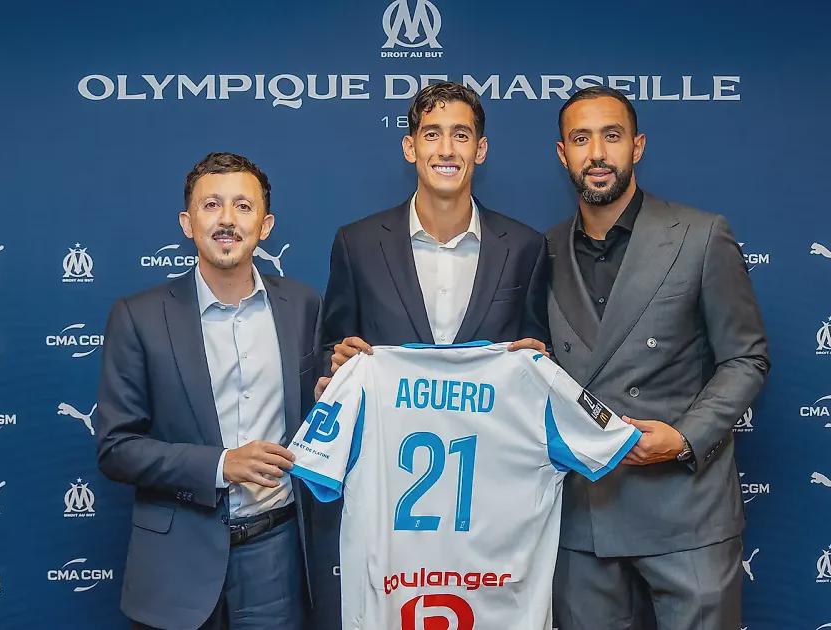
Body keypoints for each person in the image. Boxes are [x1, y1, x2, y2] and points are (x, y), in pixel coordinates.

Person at [309, 81, 549, 629]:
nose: (446, 149)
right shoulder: (357, 243)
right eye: (432, 134)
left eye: (460, 135)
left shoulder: (526, 247)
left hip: (490, 501)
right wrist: (335, 369)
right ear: (409, 146)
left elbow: (540, 354)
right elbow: (330, 350)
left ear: (480, 150)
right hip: (389, 499)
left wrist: (537, 361)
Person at [546, 86, 771, 630]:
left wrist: (686, 437)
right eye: (581, 139)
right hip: (583, 519)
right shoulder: (541, 252)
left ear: (637, 146)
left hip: (686, 512)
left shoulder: (701, 235)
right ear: (563, 154)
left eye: (612, 136)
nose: (597, 153)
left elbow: (746, 357)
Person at [95, 152, 320, 630]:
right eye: (211, 205)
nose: (227, 220)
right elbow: (116, 449)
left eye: (243, 206)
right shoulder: (138, 316)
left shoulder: (303, 306)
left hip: (276, 560)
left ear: (265, 225)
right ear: (187, 222)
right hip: (174, 564)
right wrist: (221, 465)